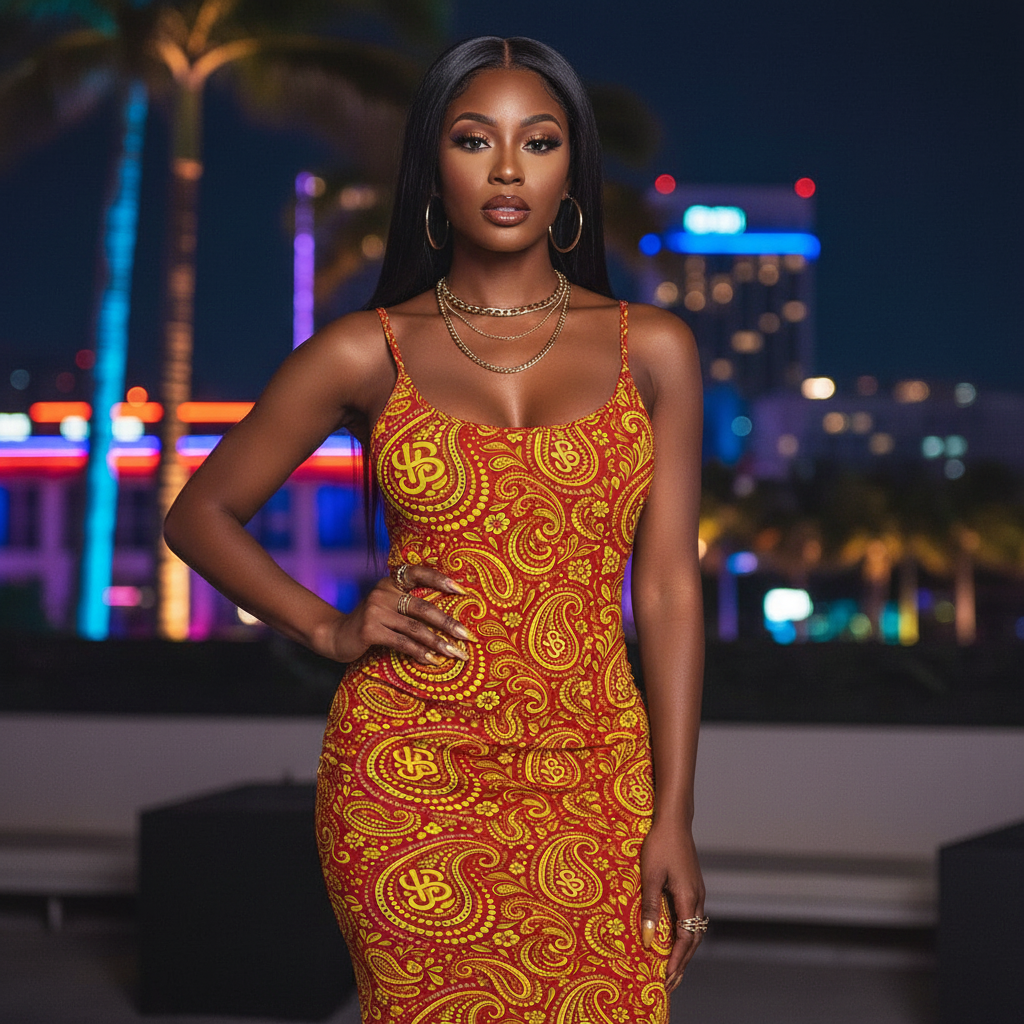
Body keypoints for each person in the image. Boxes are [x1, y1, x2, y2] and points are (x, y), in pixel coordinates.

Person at [164, 35, 706, 1024]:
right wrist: (328, 627)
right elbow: (200, 513)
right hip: (408, 771)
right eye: (473, 139)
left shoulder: (654, 350)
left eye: (537, 143)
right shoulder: (363, 351)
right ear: (434, 168)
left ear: (569, 173)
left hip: (596, 773)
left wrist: (673, 814)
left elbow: (667, 589)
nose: (506, 169)